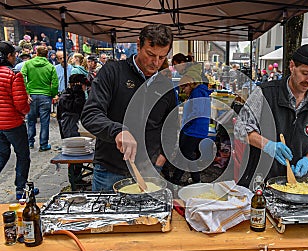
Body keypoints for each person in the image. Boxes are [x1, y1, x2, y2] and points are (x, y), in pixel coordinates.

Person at [81, 24, 176, 191]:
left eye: (162, 57)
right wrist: (117, 131)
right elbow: (90, 114)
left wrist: (162, 157)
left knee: (147, 218)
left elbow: (171, 126)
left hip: (149, 170)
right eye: (150, 54)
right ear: (138, 45)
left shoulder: (165, 85)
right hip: (109, 170)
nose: (155, 63)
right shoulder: (113, 72)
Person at [234, 44, 308, 187]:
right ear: (292, 66)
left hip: (295, 182)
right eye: (305, 73)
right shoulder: (264, 93)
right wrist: (268, 145)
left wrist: (307, 160)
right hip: (258, 177)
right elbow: (241, 129)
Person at [0, 41, 33, 200]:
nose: (15, 58)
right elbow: (20, 104)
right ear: (8, 56)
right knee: (22, 155)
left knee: (2, 154)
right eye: (14, 55)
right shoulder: (13, 75)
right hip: (13, 123)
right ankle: (21, 189)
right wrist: (26, 108)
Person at [171, 64, 211, 185]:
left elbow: (196, 112)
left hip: (193, 130)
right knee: (190, 156)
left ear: (190, 83)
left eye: (184, 87)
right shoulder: (201, 91)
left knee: (183, 156)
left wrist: (186, 123)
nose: (183, 91)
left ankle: (175, 181)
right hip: (199, 130)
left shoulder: (197, 92)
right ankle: (196, 180)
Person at [21, 46, 59, 151]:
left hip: (31, 96)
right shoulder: (50, 66)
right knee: (44, 121)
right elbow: (55, 83)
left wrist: (26, 92)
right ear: (47, 55)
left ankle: (30, 142)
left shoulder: (28, 64)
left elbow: (22, 77)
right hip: (45, 96)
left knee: (31, 120)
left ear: (36, 53)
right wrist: (52, 93)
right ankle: (43, 144)